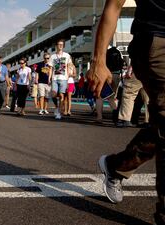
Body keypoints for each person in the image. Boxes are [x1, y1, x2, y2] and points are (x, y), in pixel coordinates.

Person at [87, 0, 165, 223]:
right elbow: (114, 4)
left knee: (161, 125)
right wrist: (99, 60)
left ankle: (116, 166)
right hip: (156, 39)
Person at [49, 39, 72, 120]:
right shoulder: (52, 56)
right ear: (56, 46)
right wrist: (49, 78)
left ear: (63, 46)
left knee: (62, 95)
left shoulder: (67, 55)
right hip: (54, 78)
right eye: (59, 44)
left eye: (62, 44)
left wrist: (68, 77)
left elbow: (69, 67)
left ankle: (59, 112)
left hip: (63, 79)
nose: (60, 46)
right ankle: (56, 107)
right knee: (54, 94)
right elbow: (51, 68)